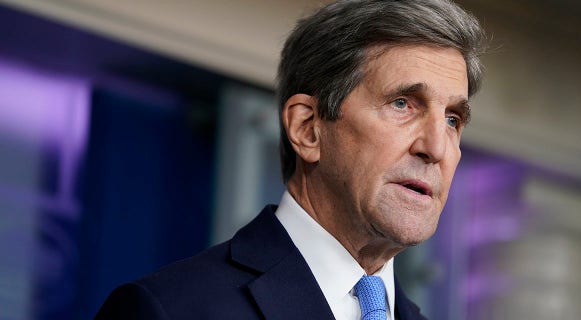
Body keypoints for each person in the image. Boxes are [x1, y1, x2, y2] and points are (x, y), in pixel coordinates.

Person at [95, 0, 485, 319]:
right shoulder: (169, 311)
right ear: (308, 129)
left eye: (453, 119)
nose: (435, 148)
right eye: (402, 103)